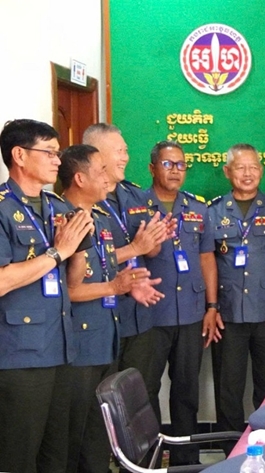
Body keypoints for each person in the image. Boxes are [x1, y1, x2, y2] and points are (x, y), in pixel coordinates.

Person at [58, 144, 160, 473]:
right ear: (79, 178)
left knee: (99, 435)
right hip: (78, 344)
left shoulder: (99, 218)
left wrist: (129, 285)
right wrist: (115, 287)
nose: (107, 178)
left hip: (106, 337)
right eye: (100, 171)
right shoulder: (61, 219)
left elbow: (102, 269)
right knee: (73, 437)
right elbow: (67, 290)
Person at [0, 119, 94, 473]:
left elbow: (72, 281)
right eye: (50, 152)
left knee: (58, 455)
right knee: (20, 455)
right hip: (20, 354)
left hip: (61, 346)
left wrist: (78, 247)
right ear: (19, 155)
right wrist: (57, 252)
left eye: (59, 153)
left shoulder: (56, 206)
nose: (58, 160)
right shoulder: (2, 208)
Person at [206, 144, 265, 454]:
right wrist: (211, 307)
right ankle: (231, 454)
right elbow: (206, 261)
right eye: (240, 168)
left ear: (261, 171)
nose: (248, 174)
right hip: (227, 315)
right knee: (228, 391)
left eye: (253, 167)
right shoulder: (213, 211)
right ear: (227, 172)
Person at [83, 123, 171, 408]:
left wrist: (155, 239)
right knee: (104, 401)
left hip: (139, 312)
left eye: (126, 151)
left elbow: (151, 250)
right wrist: (135, 248)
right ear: (97, 155)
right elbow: (89, 261)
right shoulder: (83, 201)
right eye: (119, 151)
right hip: (104, 313)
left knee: (138, 395)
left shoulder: (134, 195)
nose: (125, 157)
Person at [141, 141, 216, 466]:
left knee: (187, 390)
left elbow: (207, 258)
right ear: (152, 168)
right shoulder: (136, 206)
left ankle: (186, 462)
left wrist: (212, 307)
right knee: (146, 390)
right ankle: (149, 460)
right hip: (150, 313)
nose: (175, 171)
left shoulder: (198, 208)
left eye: (181, 165)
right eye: (168, 164)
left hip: (190, 310)